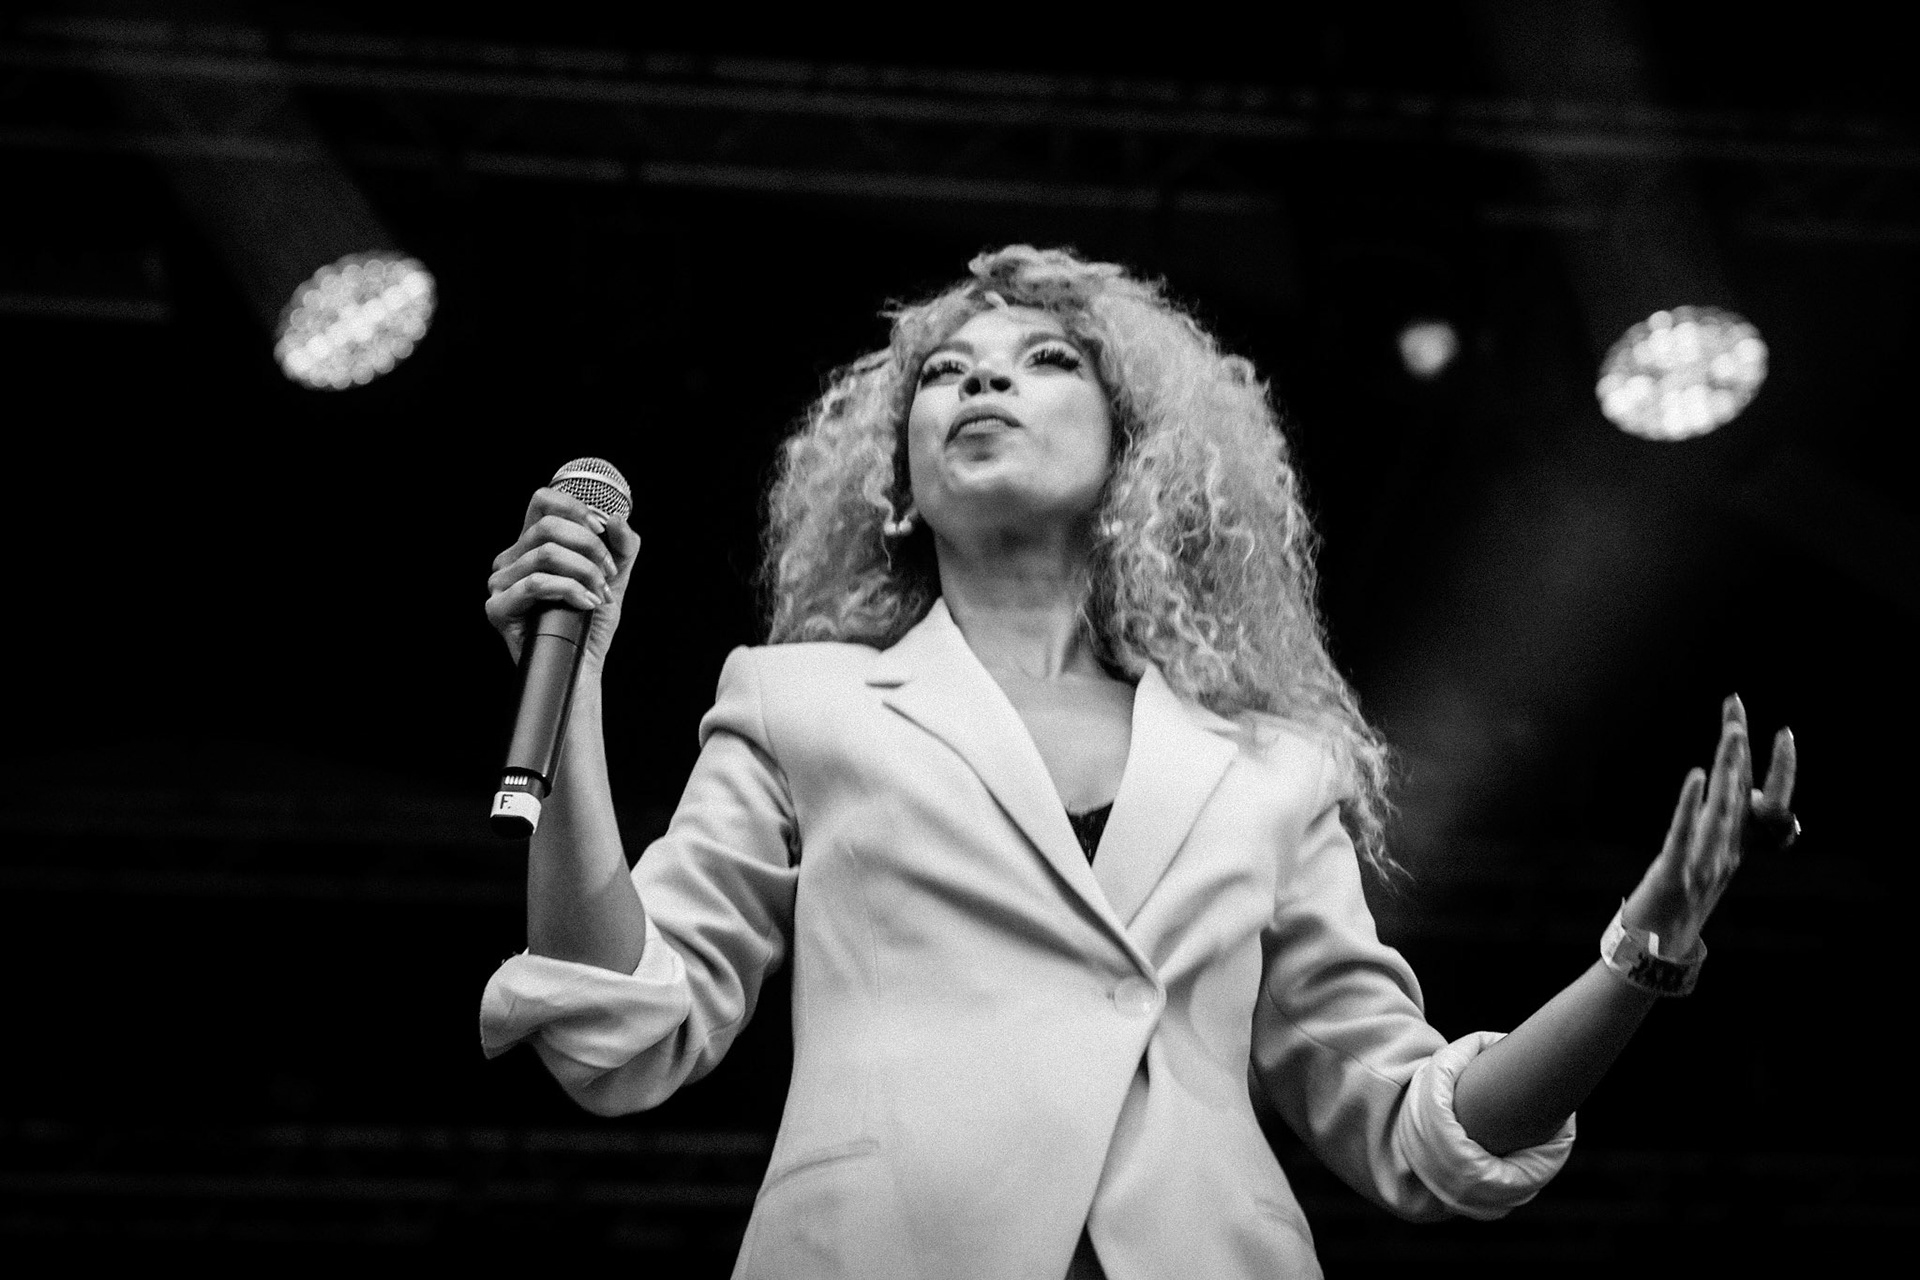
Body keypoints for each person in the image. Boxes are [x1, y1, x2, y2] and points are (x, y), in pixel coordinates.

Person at [477, 246, 1798, 1280]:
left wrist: (1639, 957)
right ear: (896, 486)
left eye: (1044, 358)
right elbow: (619, 1025)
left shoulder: (1269, 769)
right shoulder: (796, 702)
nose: (981, 381)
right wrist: (577, 679)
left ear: (1132, 464)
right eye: (943, 372)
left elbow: (1418, 1128)